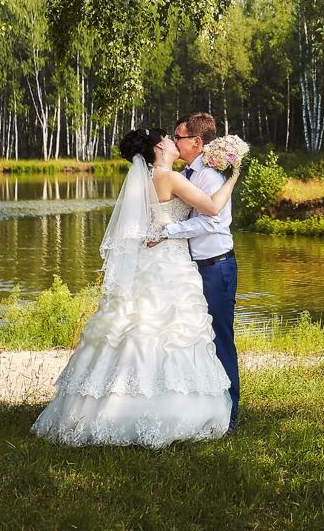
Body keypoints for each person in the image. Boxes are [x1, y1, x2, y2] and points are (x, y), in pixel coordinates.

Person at [30, 128, 237, 447]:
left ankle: (105, 405)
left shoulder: (143, 180)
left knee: (132, 328)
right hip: (170, 264)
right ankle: (172, 410)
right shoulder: (170, 177)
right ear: (159, 148)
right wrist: (233, 178)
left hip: (148, 262)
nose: (172, 141)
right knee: (170, 333)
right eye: (168, 138)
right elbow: (211, 208)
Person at [147, 111, 240, 430]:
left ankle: (231, 413)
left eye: (179, 136)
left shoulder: (209, 176)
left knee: (220, 337)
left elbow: (212, 221)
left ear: (196, 142)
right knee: (196, 339)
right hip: (190, 268)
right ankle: (204, 407)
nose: (174, 141)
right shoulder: (184, 173)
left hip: (215, 265)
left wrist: (168, 232)